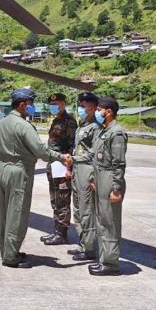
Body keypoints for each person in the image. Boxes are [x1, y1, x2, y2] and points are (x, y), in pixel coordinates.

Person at [0, 88, 64, 268]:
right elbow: (41, 151)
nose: (32, 108)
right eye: (30, 104)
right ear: (22, 105)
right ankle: (11, 257)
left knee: (4, 215)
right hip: (19, 171)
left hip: (2, 170)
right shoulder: (24, 125)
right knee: (17, 214)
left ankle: (7, 250)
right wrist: (62, 157)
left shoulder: (2, 123)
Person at [88, 97, 127, 275]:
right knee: (102, 221)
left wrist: (116, 188)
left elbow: (118, 163)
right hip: (101, 178)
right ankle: (104, 259)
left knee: (110, 222)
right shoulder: (105, 131)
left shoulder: (116, 133)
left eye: (99, 109)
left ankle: (111, 264)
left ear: (109, 111)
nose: (97, 112)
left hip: (111, 179)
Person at [64, 92, 102, 261]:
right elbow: (77, 149)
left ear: (93, 108)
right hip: (77, 169)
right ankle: (82, 243)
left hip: (87, 170)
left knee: (87, 211)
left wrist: (74, 159)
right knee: (78, 209)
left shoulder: (95, 128)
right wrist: (71, 166)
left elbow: (93, 154)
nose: (80, 109)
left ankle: (90, 249)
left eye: (83, 106)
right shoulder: (82, 126)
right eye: (80, 106)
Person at [41, 93, 78, 245]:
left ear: (63, 104)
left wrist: (70, 168)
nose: (53, 106)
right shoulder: (56, 120)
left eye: (57, 104)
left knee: (62, 200)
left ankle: (61, 234)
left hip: (63, 166)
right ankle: (56, 230)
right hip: (54, 165)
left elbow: (73, 146)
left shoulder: (69, 122)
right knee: (55, 199)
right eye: (51, 104)